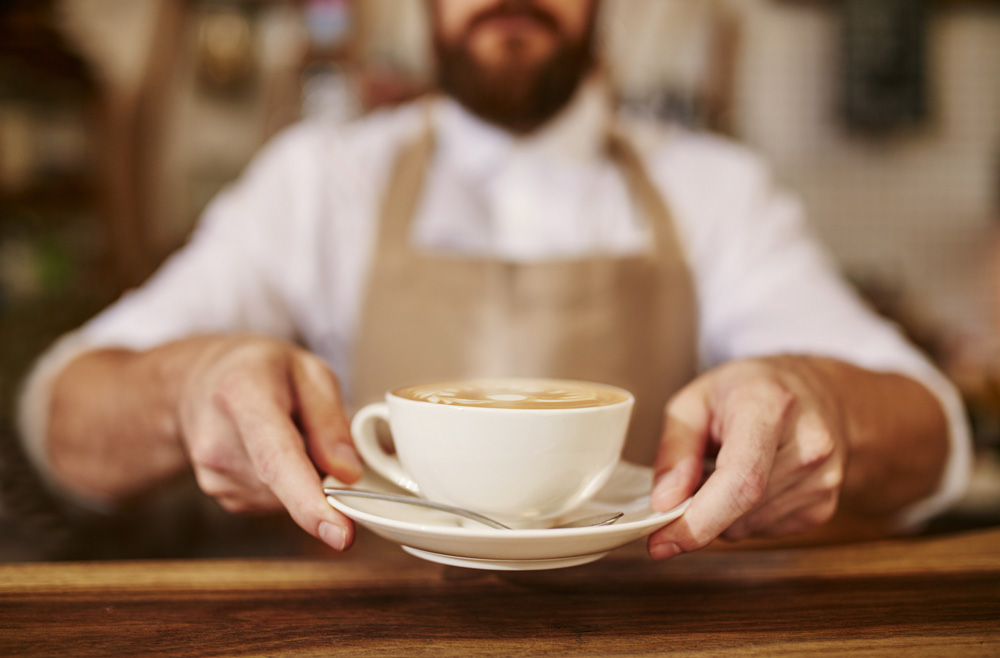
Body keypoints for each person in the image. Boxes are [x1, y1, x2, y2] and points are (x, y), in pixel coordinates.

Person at [18, 0, 970, 560]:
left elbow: (932, 433)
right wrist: (187, 387)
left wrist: (821, 407)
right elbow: (59, 414)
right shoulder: (319, 180)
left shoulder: (715, 188)